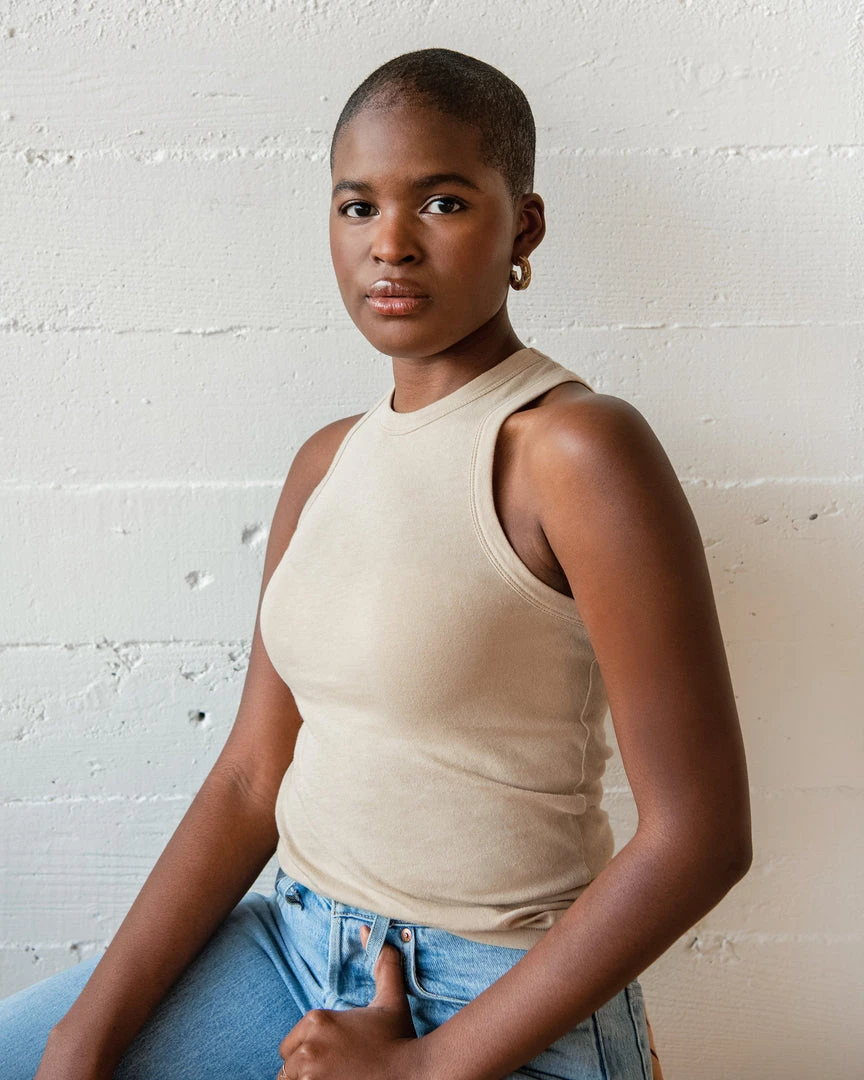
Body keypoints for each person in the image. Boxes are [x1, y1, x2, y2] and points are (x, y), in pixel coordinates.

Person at [0, 47, 750, 1080]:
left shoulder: (574, 450)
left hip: (492, 990)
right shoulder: (325, 461)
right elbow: (250, 777)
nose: (390, 243)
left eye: (442, 202)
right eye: (358, 207)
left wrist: (421, 1070)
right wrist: (80, 1040)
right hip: (293, 945)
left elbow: (699, 838)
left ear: (523, 228)